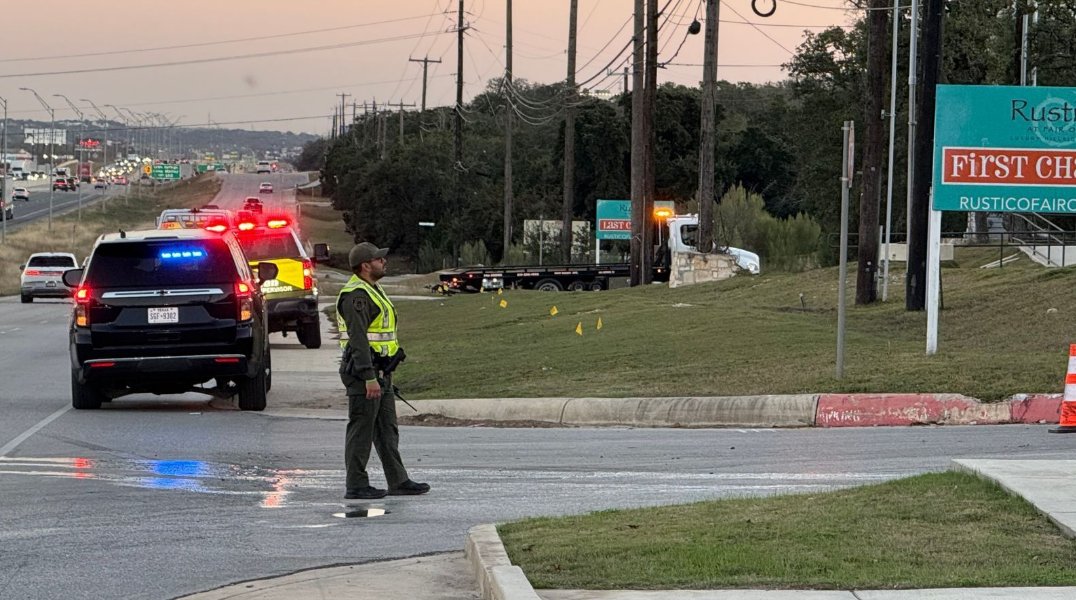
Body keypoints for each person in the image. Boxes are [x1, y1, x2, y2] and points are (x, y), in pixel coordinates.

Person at [336, 242, 430, 500]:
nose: (384, 262)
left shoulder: (372, 289)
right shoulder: (357, 296)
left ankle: (398, 480)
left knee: (387, 429)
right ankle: (356, 484)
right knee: (362, 430)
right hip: (364, 374)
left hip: (381, 371)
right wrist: (368, 377)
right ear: (366, 265)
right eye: (379, 259)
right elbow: (358, 340)